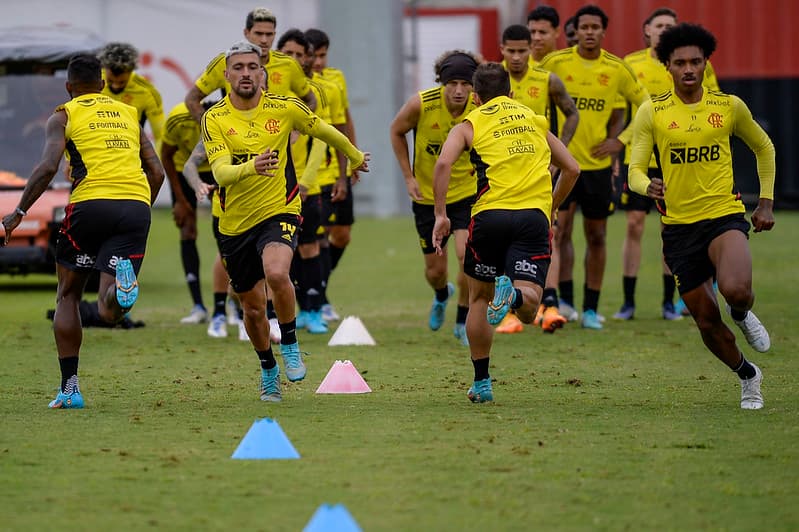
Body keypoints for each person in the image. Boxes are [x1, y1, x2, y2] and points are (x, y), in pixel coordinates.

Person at [201, 41, 368, 402]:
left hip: (281, 208)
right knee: (252, 307)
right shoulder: (214, 117)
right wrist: (252, 166)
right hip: (234, 223)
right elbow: (221, 173)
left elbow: (324, 130)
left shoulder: (285, 107)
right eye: (238, 68)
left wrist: (353, 156)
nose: (246, 73)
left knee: (277, 274)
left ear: (262, 72)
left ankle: (290, 342)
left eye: (252, 67)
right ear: (227, 75)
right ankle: (268, 369)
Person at [0, 54, 164, 409]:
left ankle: (70, 388)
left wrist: (19, 211)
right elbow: (158, 172)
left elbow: (47, 168)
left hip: (90, 205)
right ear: (103, 85)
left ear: (69, 87)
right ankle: (122, 290)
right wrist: (141, 209)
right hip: (135, 205)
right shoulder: (127, 114)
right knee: (109, 312)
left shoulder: (64, 114)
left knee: (68, 296)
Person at [628, 23, 774, 409]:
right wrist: (647, 187)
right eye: (680, 63)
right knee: (706, 321)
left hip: (723, 216)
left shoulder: (728, 106)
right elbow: (635, 170)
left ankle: (742, 313)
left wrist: (766, 202)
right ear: (668, 67)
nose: (689, 69)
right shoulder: (653, 112)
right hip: (678, 230)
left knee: (736, 290)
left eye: (696, 61)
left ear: (706, 64)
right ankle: (748, 376)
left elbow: (764, 147)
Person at [432, 62, 579, 403]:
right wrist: (552, 207)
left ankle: (482, 383)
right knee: (529, 310)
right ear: (511, 93)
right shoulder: (533, 119)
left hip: (489, 218)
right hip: (532, 218)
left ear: (476, 98)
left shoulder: (470, 123)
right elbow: (572, 168)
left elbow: (443, 164)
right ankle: (512, 296)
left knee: (479, 300)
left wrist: (441, 214)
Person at [538, 5, 647, 330]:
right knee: (559, 232)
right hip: (560, 165)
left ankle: (590, 308)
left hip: (597, 168)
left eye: (594, 27)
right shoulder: (556, 63)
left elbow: (646, 106)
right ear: (576, 30)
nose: (588, 31)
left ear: (603, 31)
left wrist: (622, 141)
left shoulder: (616, 68)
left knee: (597, 235)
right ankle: (563, 302)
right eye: (583, 26)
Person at [613, 8, 720, 321]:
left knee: (670, 228)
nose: (663, 30)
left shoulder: (696, 64)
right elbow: (619, 112)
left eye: (669, 26)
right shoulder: (630, 64)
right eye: (658, 26)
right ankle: (628, 302)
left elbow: (711, 107)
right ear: (647, 30)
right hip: (640, 156)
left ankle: (669, 302)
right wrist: (616, 153)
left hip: (678, 158)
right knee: (633, 224)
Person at [390, 50, 479, 345]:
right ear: (441, 82)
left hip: (466, 194)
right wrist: (408, 176)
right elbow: (396, 131)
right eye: (451, 83)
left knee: (467, 257)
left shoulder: (480, 108)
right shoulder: (422, 103)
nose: (458, 90)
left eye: (465, 83)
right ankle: (442, 294)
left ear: (473, 85)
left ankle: (463, 320)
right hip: (428, 198)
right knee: (435, 271)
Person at [499, 23, 578, 333]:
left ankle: (550, 304)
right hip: (503, 175)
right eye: (511, 51)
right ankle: (507, 309)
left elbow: (572, 113)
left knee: (550, 233)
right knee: (501, 239)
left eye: (523, 51)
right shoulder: (493, 78)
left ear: (531, 50)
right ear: (501, 49)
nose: (517, 57)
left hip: (539, 175)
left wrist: (560, 154)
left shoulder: (547, 80)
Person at [278, 28, 344, 334]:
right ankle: (275, 314)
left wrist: (304, 182)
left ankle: (314, 311)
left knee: (311, 247)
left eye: (299, 54)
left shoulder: (315, 93)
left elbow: (321, 139)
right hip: (269, 188)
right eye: (287, 53)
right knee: (278, 252)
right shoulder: (266, 93)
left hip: (307, 187)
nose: (294, 59)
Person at [305, 28, 359, 323]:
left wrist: (351, 160)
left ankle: (318, 288)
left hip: (334, 169)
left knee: (342, 234)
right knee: (316, 236)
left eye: (323, 55)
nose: (319, 62)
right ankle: (317, 297)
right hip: (312, 174)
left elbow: (342, 122)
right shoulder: (297, 85)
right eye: (314, 55)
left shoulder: (335, 81)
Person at [185, 7, 316, 124]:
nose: (264, 40)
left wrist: (295, 128)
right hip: (235, 142)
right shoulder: (224, 62)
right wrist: (212, 129)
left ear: (274, 35)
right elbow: (192, 100)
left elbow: (311, 100)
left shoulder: (288, 64)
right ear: (246, 33)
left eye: (269, 34)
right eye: (258, 34)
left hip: (275, 145)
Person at [162, 100, 215, 325]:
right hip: (183, 170)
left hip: (216, 170)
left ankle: (231, 304)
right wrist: (181, 201)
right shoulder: (177, 118)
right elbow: (165, 155)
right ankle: (198, 307)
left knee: (229, 232)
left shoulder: (222, 116)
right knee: (187, 231)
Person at [98, 42, 165, 147]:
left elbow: (160, 136)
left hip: (130, 153)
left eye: (122, 82)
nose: (115, 86)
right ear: (104, 69)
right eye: (110, 81)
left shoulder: (148, 92)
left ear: (131, 72)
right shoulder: (92, 81)